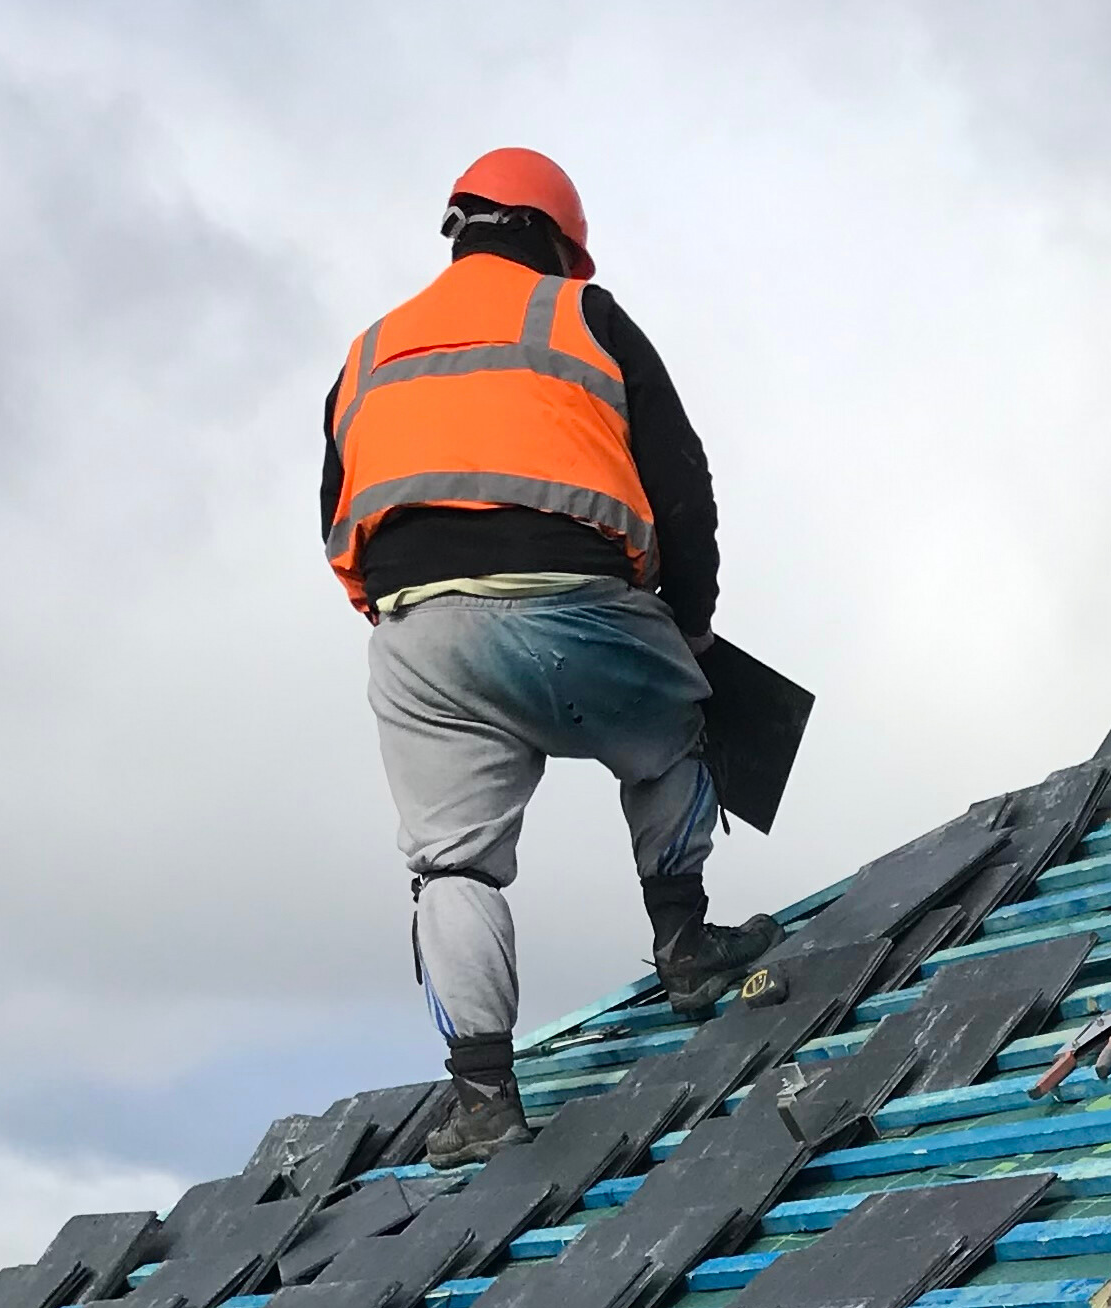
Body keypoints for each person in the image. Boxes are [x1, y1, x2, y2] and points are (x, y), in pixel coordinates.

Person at [321, 147, 781, 1168]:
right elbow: (683, 486)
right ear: (554, 241)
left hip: (419, 634)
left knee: (451, 864)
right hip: (582, 605)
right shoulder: (587, 316)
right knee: (677, 728)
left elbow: (335, 521)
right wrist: (689, 631)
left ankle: (484, 1097)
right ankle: (687, 945)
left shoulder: (368, 352)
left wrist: (419, 622)